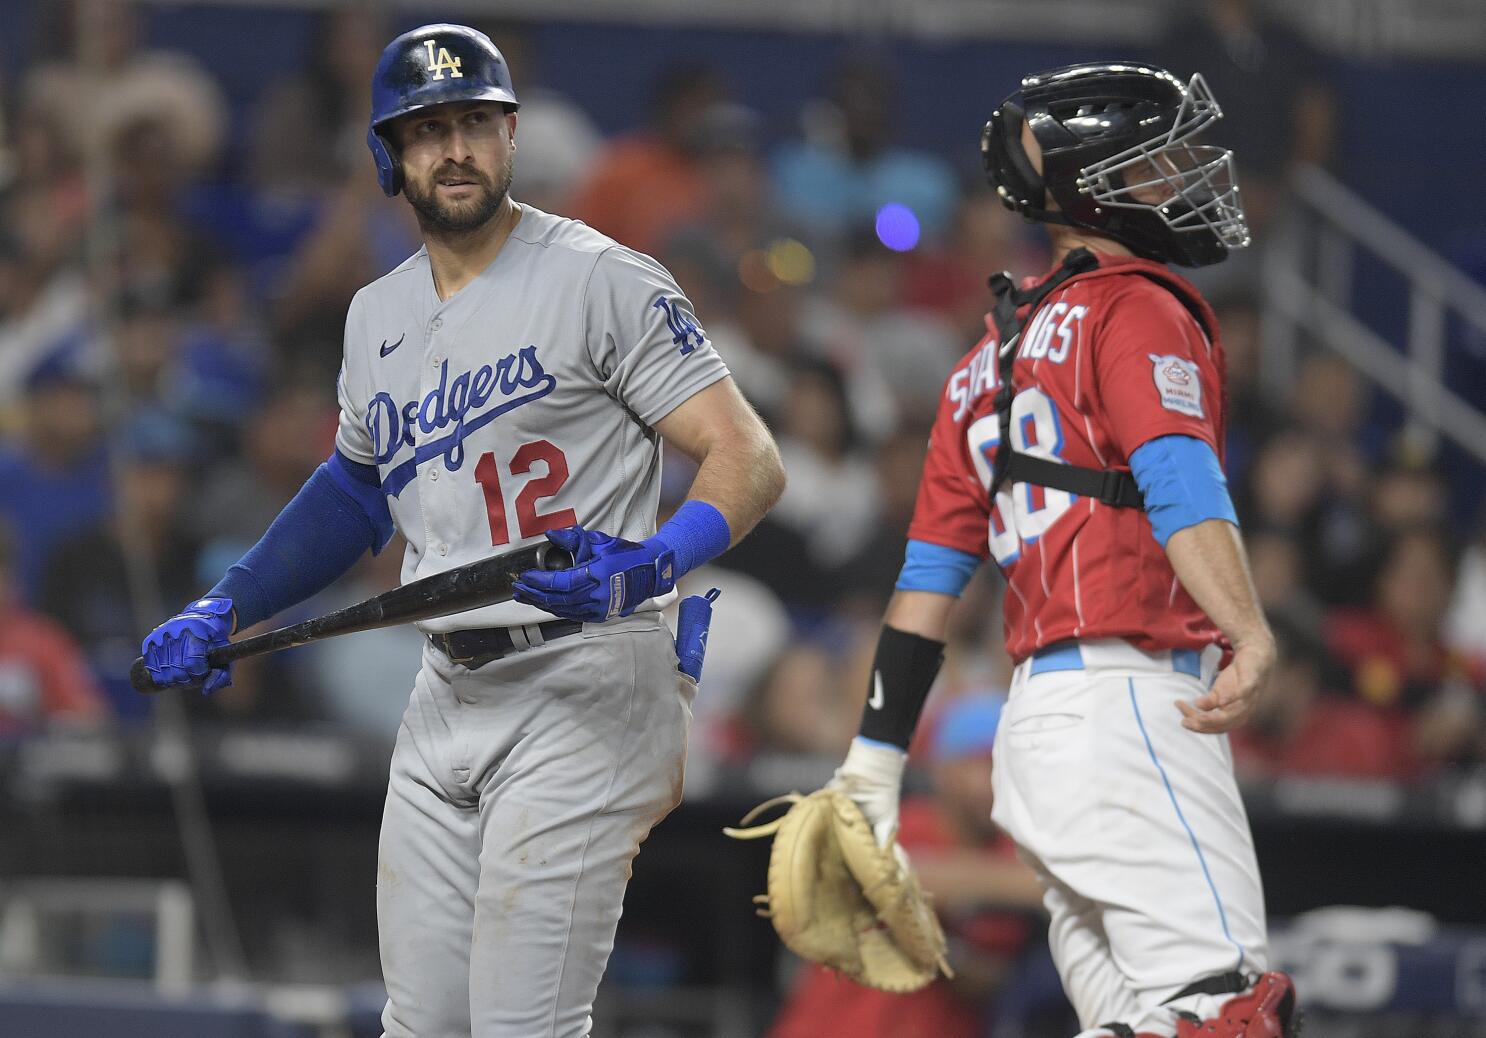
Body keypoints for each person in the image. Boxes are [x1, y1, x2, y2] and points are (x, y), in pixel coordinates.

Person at [138, 24, 785, 1038]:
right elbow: (354, 494)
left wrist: (655, 560)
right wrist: (229, 601)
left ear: (511, 134)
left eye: (474, 124)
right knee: (421, 1025)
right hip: (445, 687)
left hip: (590, 677)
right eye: (427, 129)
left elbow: (748, 455)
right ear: (386, 157)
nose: (454, 149)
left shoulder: (599, 276)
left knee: (521, 1028)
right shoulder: (375, 316)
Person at [817, 64, 1298, 1037]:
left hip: (1032, 735)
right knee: (1226, 1016)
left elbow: (926, 585)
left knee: (1136, 1019)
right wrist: (1246, 627)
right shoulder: (1135, 303)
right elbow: (1176, 479)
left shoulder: (978, 361)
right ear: (1090, 183)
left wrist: (872, 762)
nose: (1184, 179)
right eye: (1158, 163)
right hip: (1130, 706)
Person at [769, 693, 1044, 1038]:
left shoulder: (1010, 850)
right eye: (976, 763)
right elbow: (898, 876)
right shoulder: (901, 822)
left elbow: (984, 978)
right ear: (940, 768)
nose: (988, 780)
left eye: (1002, 764)